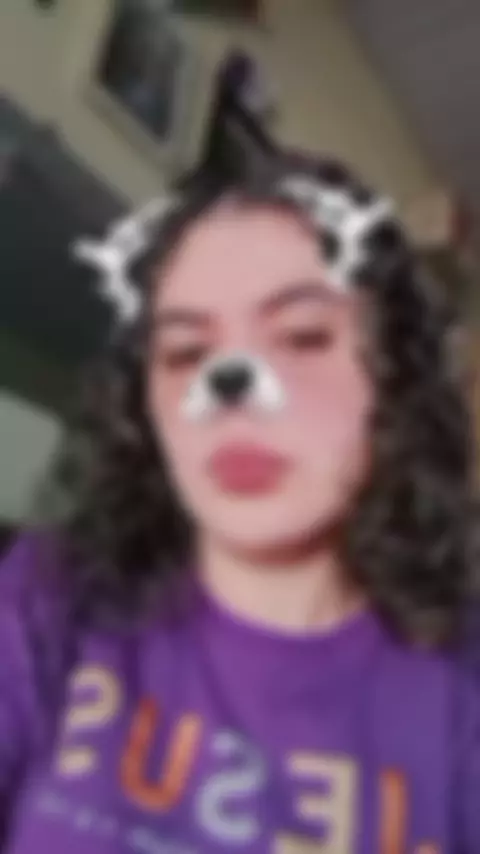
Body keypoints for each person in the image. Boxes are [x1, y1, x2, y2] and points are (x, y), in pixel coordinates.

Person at [0, 148, 478, 854]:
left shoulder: (459, 696)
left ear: (394, 377)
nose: (233, 392)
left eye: (302, 337)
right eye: (186, 353)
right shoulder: (52, 595)